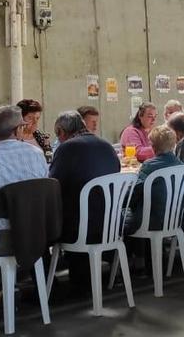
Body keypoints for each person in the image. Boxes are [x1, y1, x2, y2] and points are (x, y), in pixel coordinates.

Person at [49, 110, 120, 289]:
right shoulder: (106, 145)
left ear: (61, 133)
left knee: (42, 225)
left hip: (80, 228)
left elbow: (54, 184)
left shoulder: (66, 148)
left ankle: (50, 287)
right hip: (110, 224)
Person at [123, 125, 183, 236]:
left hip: (152, 220)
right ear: (174, 144)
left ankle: (133, 253)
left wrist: (120, 200)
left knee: (117, 218)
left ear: (153, 146)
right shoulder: (182, 166)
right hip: (178, 218)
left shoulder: (150, 165)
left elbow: (135, 192)